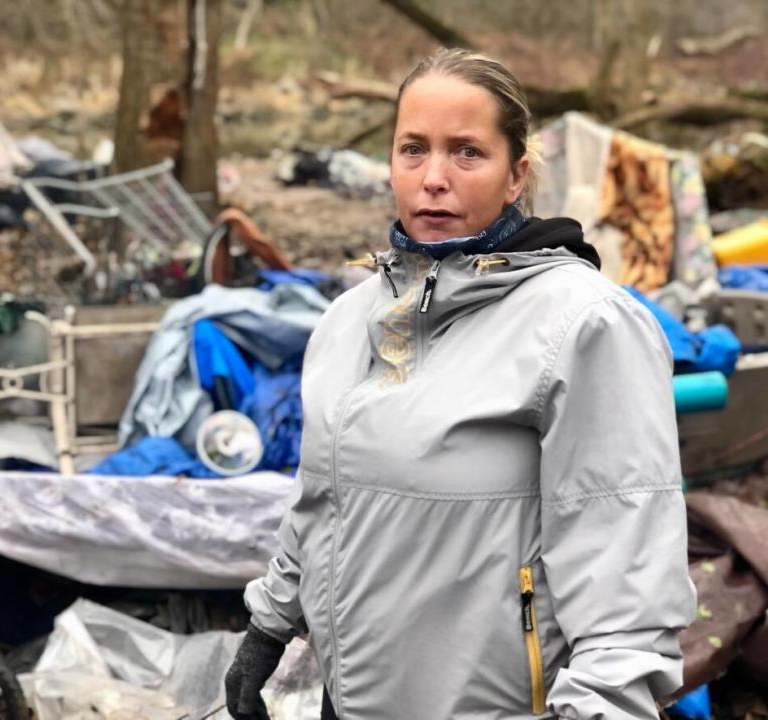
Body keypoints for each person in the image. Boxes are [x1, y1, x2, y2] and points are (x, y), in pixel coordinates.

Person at [225, 48, 696, 720]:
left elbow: (628, 573)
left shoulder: (583, 325)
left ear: (517, 175)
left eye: (467, 152)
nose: (433, 179)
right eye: (412, 150)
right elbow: (323, 501)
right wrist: (270, 623)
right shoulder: (348, 320)